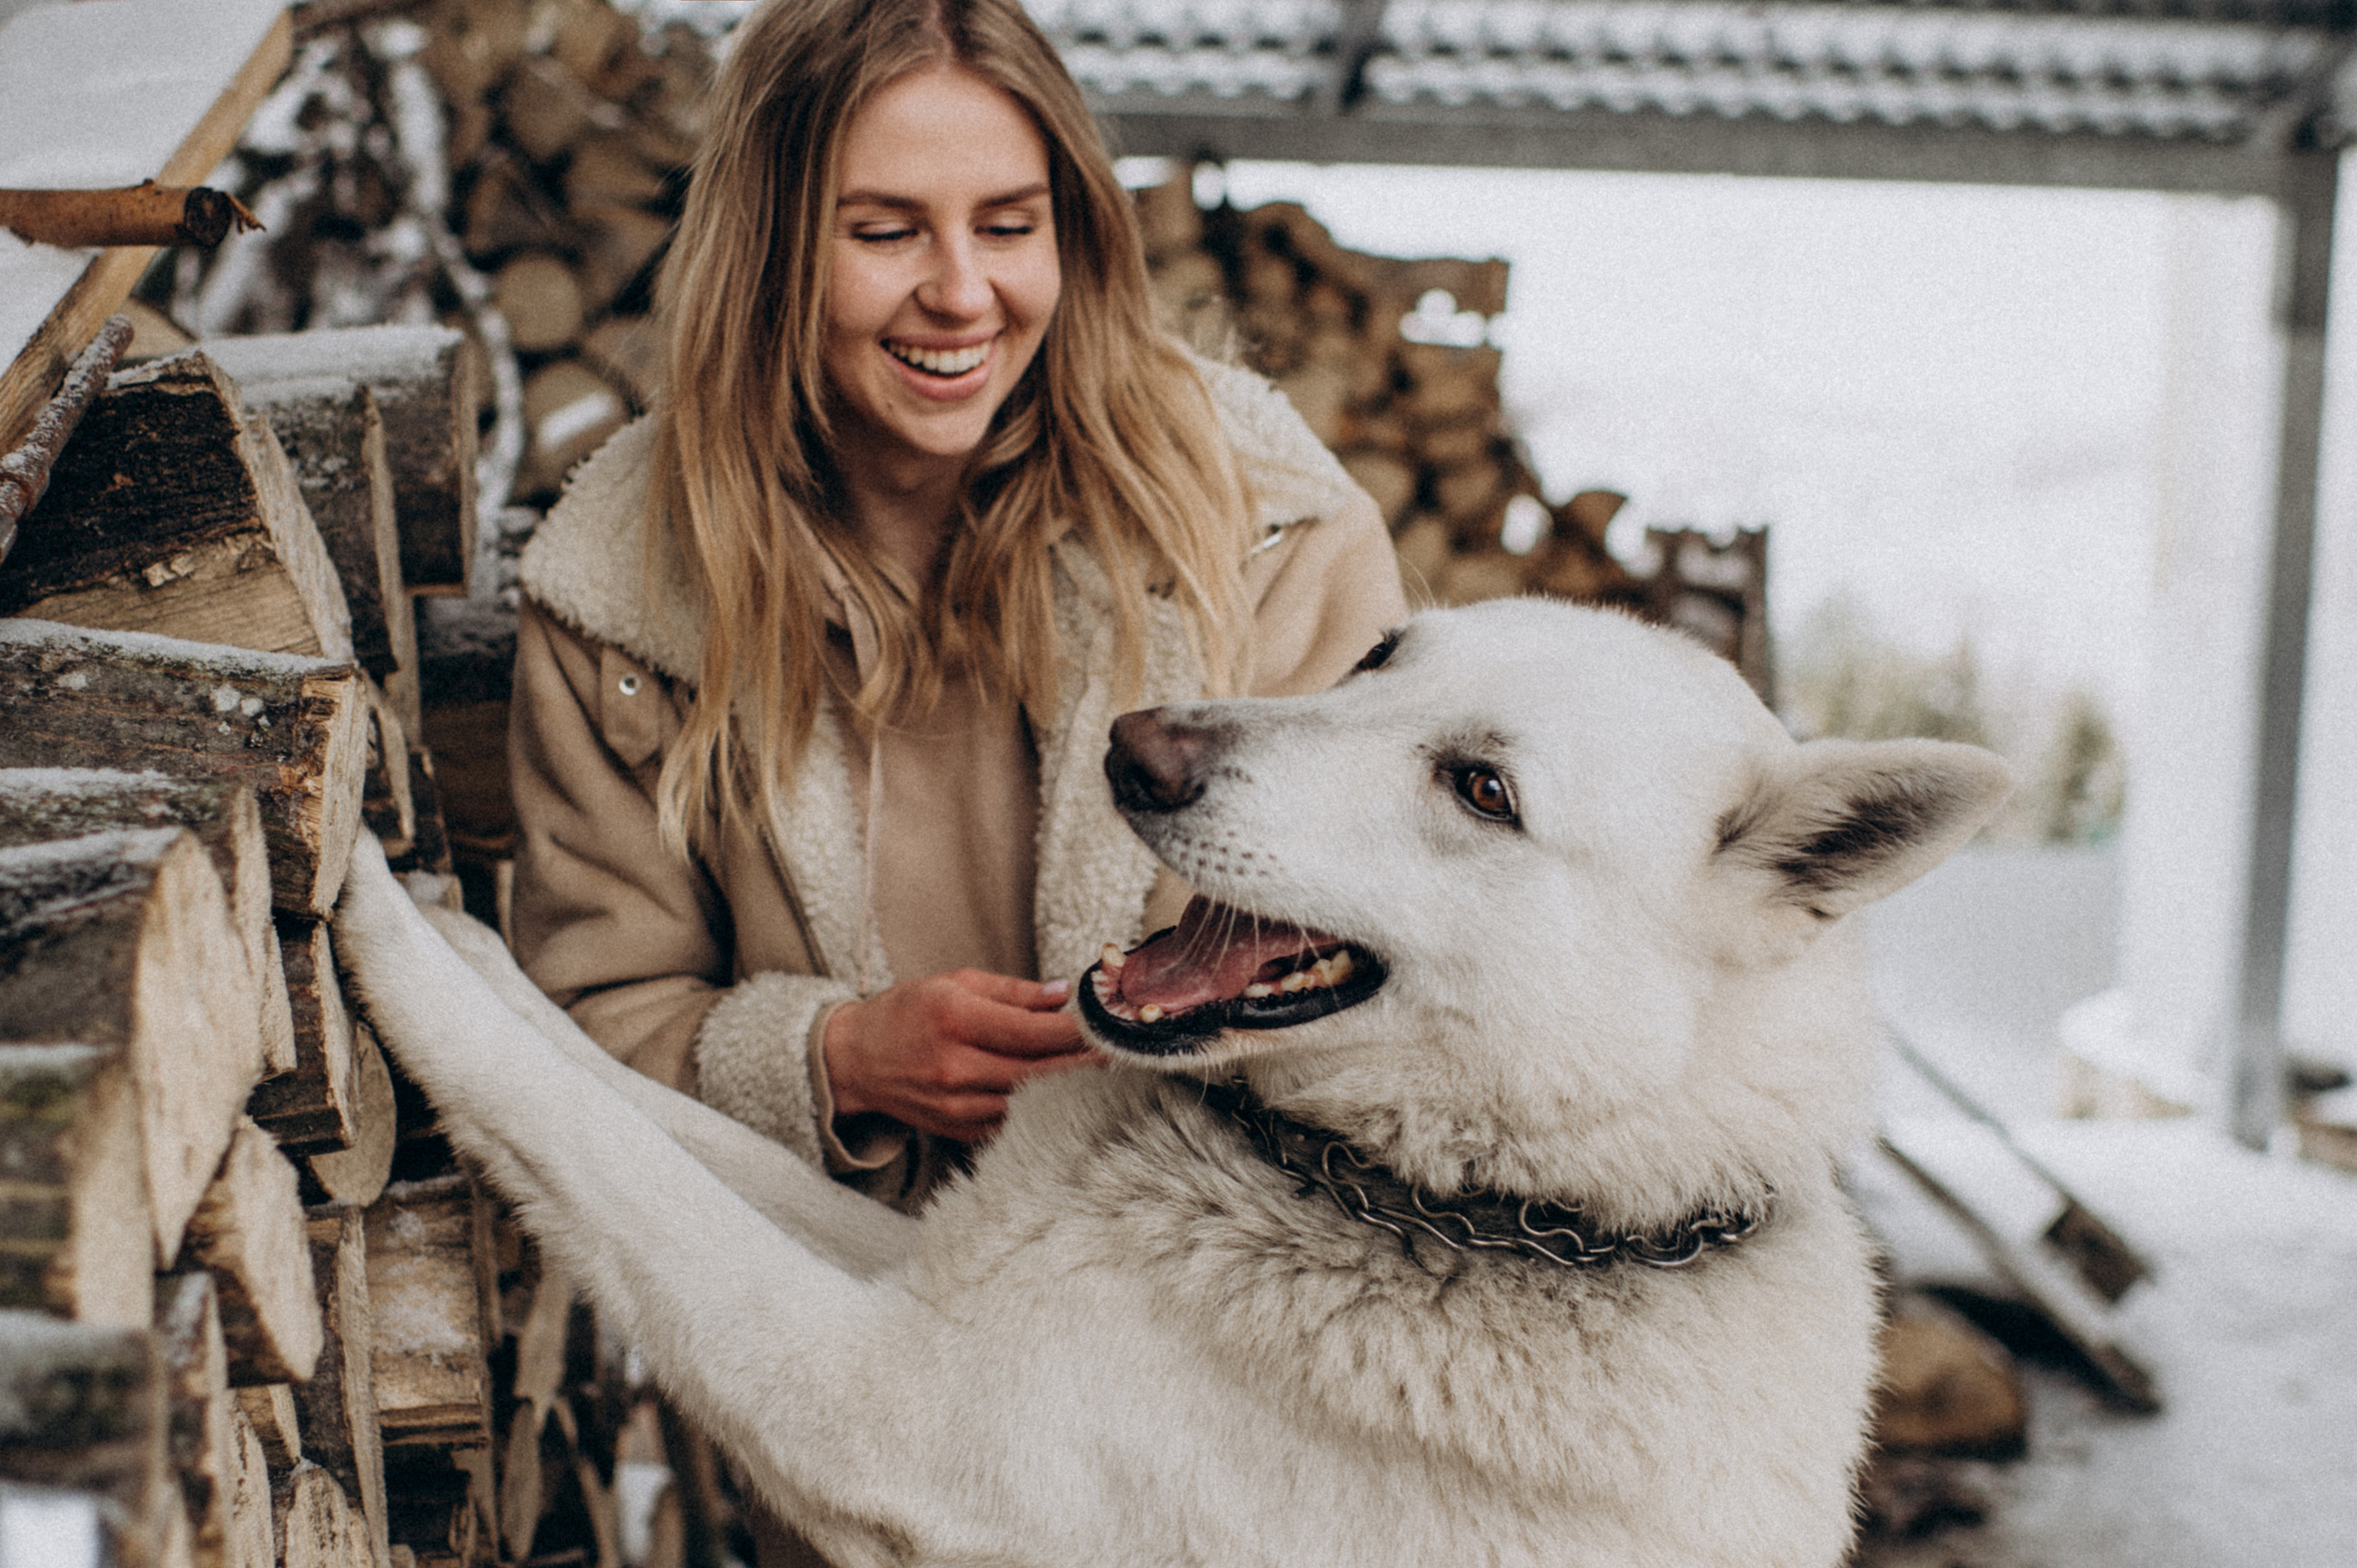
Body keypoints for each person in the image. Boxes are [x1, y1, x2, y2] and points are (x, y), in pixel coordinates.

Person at [507, 0, 1401, 1260]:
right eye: (883, 232)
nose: (963, 295)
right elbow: (588, 1020)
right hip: (838, 1339)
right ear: (764, 252)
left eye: (1008, 226)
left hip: (1224, 1326)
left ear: (1072, 235)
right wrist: (835, 1059)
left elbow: (1399, 958)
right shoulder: (622, 593)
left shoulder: (1268, 525)